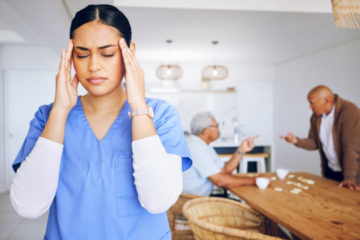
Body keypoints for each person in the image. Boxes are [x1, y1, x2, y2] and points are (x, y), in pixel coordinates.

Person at [9, 4, 192, 239]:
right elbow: (28, 206)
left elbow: (157, 201)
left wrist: (138, 107)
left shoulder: (162, 115)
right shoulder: (48, 116)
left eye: (107, 53)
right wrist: (60, 110)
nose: (93, 66)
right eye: (82, 54)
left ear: (130, 52)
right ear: (70, 56)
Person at [281, 85, 360, 190]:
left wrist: (349, 178)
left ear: (326, 101)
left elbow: (351, 147)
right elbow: (315, 142)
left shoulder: (350, 111)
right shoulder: (316, 117)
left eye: (311, 103)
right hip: (331, 172)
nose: (309, 106)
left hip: (353, 175)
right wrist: (296, 141)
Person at [182, 112, 266, 196]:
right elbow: (219, 180)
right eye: (216, 126)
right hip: (193, 202)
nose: (219, 129)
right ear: (205, 131)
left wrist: (241, 150)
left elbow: (224, 170)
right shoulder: (196, 147)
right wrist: (255, 180)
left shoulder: (203, 145)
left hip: (202, 197)